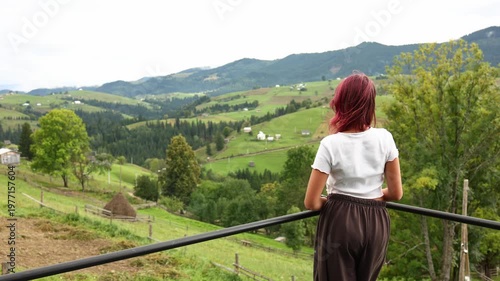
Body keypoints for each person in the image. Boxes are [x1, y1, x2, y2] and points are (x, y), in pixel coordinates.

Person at [304, 72, 403, 281]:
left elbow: (311, 202)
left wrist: (339, 204)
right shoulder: (385, 138)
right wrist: (371, 196)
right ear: (370, 104)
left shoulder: (330, 144)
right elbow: (396, 193)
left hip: (340, 222)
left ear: (340, 103)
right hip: (377, 223)